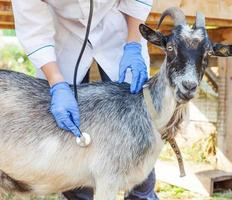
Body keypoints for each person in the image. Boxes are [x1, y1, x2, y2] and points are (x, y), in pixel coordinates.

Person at [11, 0, 158, 199]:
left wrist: (133, 43)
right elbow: (33, 29)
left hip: (116, 28)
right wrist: (57, 83)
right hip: (65, 36)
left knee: (139, 121)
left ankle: (142, 195)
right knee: (70, 134)